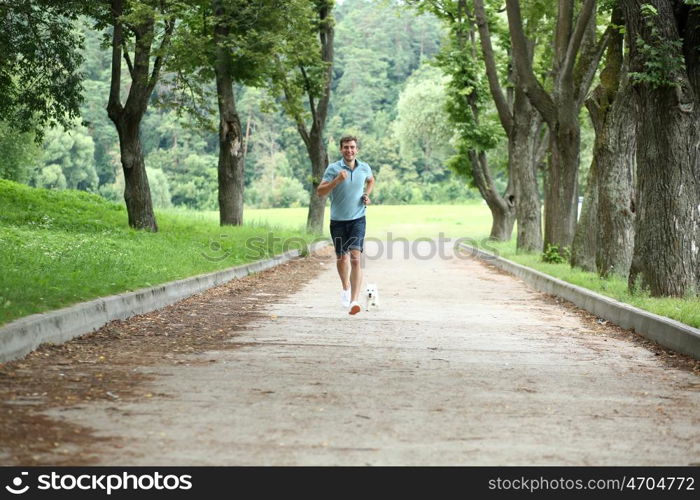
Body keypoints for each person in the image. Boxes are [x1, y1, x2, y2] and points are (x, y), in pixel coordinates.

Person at [317, 135, 375, 315]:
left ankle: (354, 301)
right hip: (338, 221)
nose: (349, 150)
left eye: (352, 147)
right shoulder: (333, 168)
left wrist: (367, 194)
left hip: (358, 218)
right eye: (346, 147)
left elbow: (371, 179)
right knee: (342, 258)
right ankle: (345, 287)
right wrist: (336, 181)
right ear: (341, 150)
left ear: (357, 149)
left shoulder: (364, 167)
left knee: (356, 258)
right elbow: (320, 192)